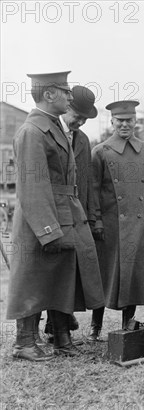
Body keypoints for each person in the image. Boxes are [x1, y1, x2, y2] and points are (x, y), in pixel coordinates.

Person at [6, 72, 104, 361]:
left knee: (62, 276)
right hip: (42, 217)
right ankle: (24, 343)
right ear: (49, 95)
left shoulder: (54, 128)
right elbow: (32, 187)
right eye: (65, 91)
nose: (70, 97)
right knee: (33, 279)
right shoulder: (32, 132)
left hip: (63, 212)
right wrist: (47, 230)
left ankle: (62, 338)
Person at [88, 100, 144, 340]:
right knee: (105, 275)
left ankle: (128, 321)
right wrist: (96, 221)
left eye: (129, 120)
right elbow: (92, 191)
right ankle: (95, 325)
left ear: (135, 121)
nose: (125, 124)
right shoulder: (100, 151)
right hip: (110, 227)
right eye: (120, 120)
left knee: (134, 274)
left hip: (139, 224)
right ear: (112, 122)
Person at [42, 85, 100, 345]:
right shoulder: (47, 133)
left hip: (76, 215)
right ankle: (58, 329)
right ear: (66, 107)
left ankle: (62, 323)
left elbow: (87, 182)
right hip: (53, 213)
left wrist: (91, 217)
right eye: (77, 115)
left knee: (75, 272)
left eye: (85, 119)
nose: (80, 121)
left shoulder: (84, 140)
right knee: (55, 273)